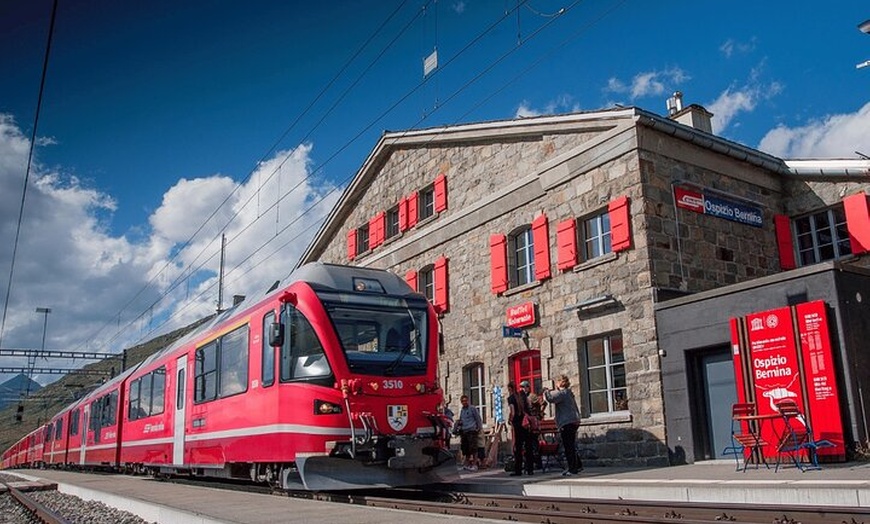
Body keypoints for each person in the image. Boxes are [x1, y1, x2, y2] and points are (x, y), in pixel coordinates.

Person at [543, 374, 583, 476]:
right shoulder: (569, 393)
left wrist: (546, 391)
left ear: (560, 382)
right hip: (573, 421)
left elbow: (551, 398)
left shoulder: (562, 393)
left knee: (568, 446)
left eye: (557, 381)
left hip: (566, 422)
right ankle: (577, 465)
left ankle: (572, 469)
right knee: (571, 445)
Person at [507, 381, 534, 476]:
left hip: (518, 424)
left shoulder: (511, 398)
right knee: (528, 446)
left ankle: (518, 470)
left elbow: (513, 412)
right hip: (526, 423)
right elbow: (529, 406)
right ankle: (530, 469)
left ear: (510, 389)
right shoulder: (523, 396)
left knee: (518, 447)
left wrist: (510, 420)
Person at [457, 394, 483, 471]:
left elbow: (478, 418)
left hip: (472, 430)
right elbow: (461, 420)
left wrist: (479, 428)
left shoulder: (472, 409)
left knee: (473, 448)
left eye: (466, 401)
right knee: (466, 449)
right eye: (463, 401)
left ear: (468, 401)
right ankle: (467, 464)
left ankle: (474, 464)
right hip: (464, 431)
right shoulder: (462, 411)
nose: (464, 402)